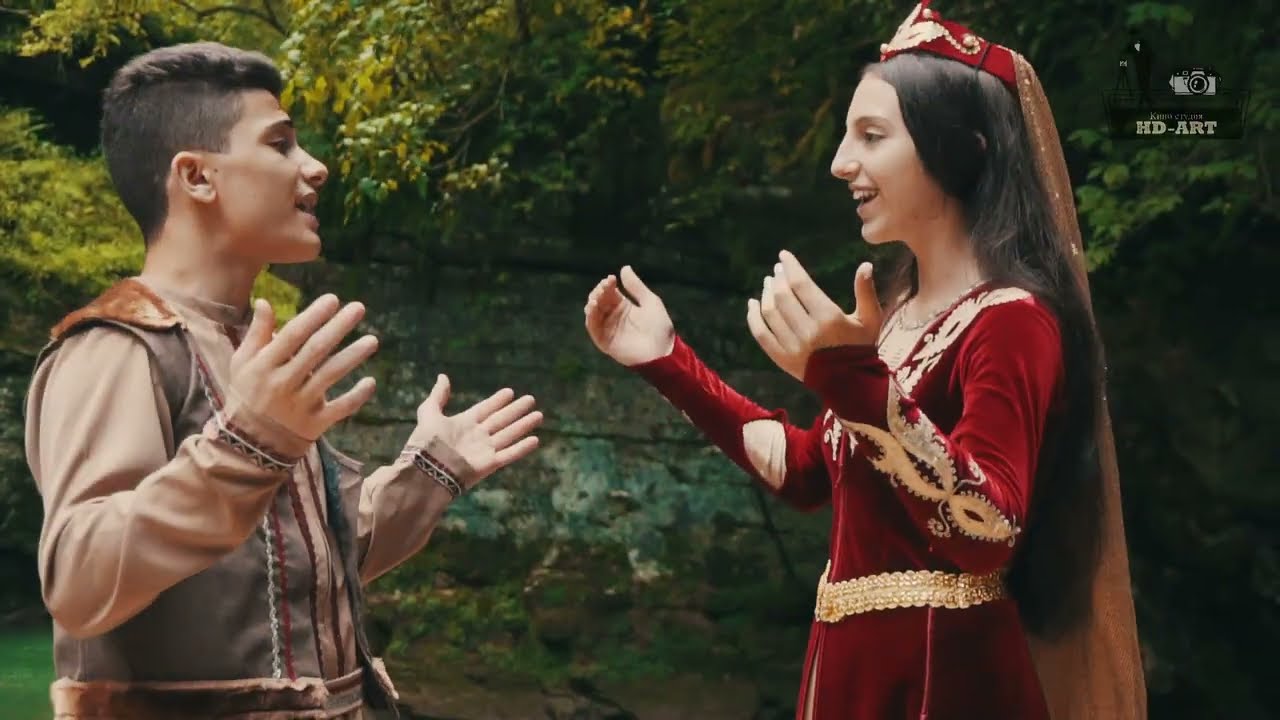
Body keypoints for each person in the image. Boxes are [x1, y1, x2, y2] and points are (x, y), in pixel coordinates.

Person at [584, 2, 1146, 719]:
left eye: (872, 136)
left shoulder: (1013, 321)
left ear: (963, 149)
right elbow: (805, 471)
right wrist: (667, 360)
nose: (839, 162)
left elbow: (987, 528)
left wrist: (849, 379)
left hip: (943, 679)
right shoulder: (899, 317)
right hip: (852, 668)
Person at [24, 41, 543, 719]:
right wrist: (247, 446)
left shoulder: (252, 348)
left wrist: (430, 473)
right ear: (197, 177)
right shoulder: (118, 346)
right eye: (280, 144)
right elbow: (78, 580)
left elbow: (302, 564)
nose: (315, 167)